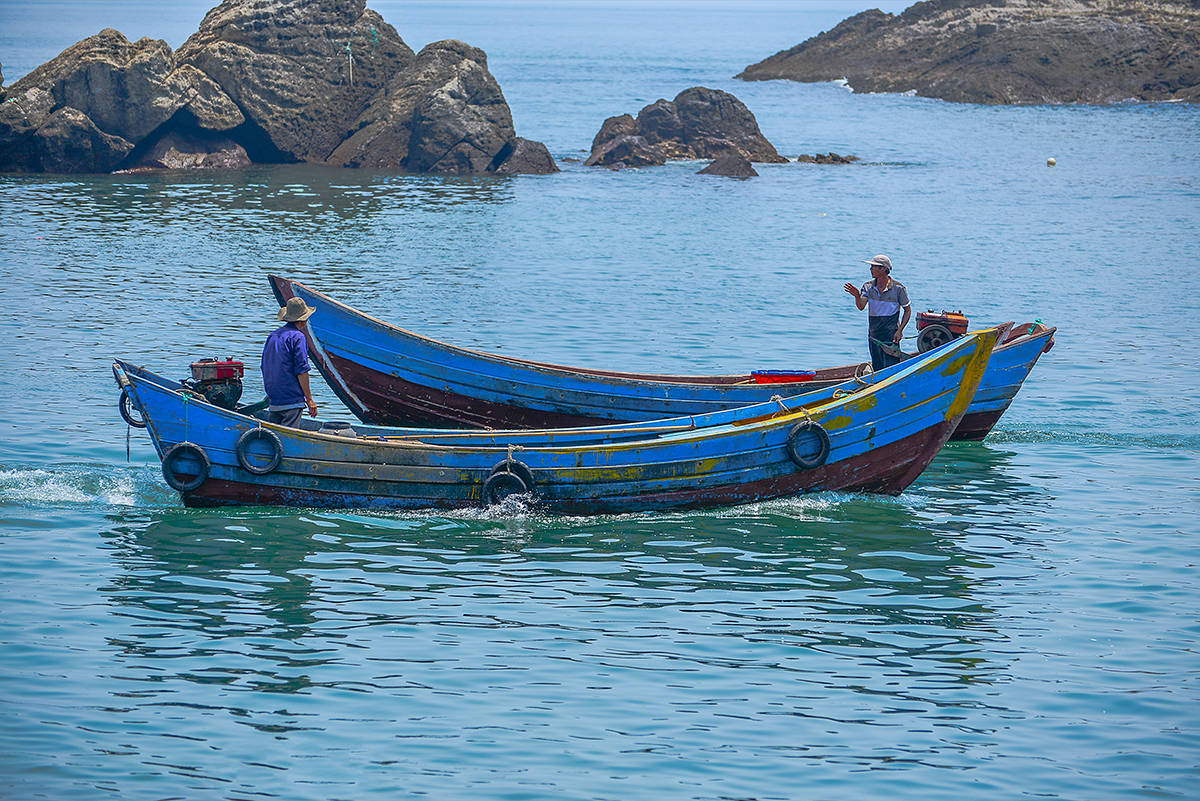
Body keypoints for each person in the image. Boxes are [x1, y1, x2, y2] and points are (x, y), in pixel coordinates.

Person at [843, 254, 912, 371]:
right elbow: (861, 306)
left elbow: (907, 311)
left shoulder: (898, 289)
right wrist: (856, 296)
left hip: (891, 335)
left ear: (883, 269)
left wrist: (900, 331)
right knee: (877, 367)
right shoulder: (868, 287)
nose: (870, 269)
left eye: (874, 266)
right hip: (874, 335)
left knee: (891, 367)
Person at [261, 296, 319, 427]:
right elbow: (302, 370)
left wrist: (271, 393)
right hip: (291, 399)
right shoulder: (298, 337)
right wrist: (310, 400)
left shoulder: (273, 336)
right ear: (303, 319)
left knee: (274, 435)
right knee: (287, 437)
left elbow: (265, 366)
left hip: (274, 398)